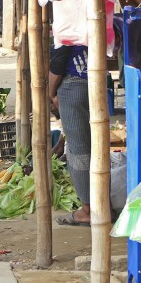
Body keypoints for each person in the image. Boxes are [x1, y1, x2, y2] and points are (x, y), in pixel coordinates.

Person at [49, 44, 92, 226]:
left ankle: (88, 210)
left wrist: (50, 93)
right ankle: (100, 202)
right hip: (92, 80)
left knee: (78, 151)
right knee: (90, 147)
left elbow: (59, 61)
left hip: (73, 83)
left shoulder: (68, 18)